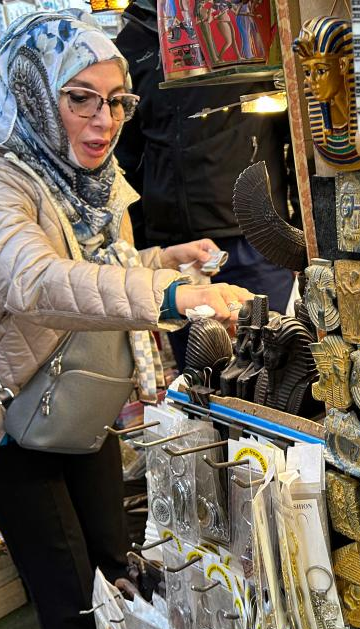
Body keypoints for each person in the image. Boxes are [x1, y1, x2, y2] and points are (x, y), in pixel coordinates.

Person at [0, 12, 251, 629]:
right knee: (71, 601)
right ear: (31, 92)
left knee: (116, 563)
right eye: (80, 98)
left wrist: (164, 260)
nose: (103, 120)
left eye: (116, 100)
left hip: (77, 400)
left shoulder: (87, 180)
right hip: (9, 416)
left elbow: (93, 270)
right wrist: (169, 295)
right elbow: (35, 283)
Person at [114, 0, 296, 370]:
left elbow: (293, 132)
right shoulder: (134, 39)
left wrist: (302, 234)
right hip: (176, 249)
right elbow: (126, 155)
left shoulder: (246, 17)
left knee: (273, 369)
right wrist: (143, 247)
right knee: (201, 375)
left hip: (253, 238)